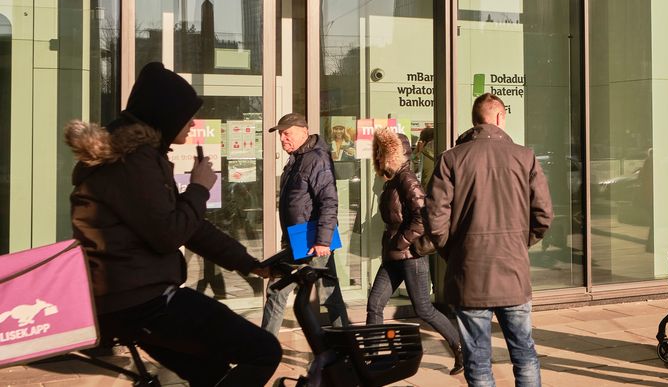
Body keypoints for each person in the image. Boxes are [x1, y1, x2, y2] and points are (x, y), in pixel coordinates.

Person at [66, 61, 282, 386]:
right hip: (143, 301)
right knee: (264, 351)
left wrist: (249, 264)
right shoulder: (132, 163)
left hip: (134, 299)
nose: (193, 123)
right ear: (165, 115)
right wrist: (199, 188)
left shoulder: (142, 159)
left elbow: (189, 226)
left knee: (213, 375)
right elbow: (169, 234)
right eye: (187, 115)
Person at [426, 93, 554, 387]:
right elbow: (544, 214)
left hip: (469, 273)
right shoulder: (525, 157)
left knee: (478, 359)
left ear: (474, 122)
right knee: (524, 354)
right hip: (513, 273)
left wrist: (454, 251)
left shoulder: (451, 159)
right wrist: (519, 244)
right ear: (499, 118)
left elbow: (435, 219)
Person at [365, 126, 464, 375]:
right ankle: (369, 358)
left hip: (410, 256)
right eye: (377, 152)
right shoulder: (392, 181)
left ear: (395, 155)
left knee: (424, 309)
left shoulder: (407, 180)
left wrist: (401, 242)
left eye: (381, 153)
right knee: (375, 303)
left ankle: (461, 348)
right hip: (394, 256)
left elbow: (422, 217)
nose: (377, 158)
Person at [261, 112, 351, 334]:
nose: (282, 138)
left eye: (287, 133)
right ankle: (348, 344)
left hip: (312, 241)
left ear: (303, 131)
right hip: (300, 238)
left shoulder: (316, 159)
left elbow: (329, 201)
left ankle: (264, 345)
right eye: (281, 134)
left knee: (278, 289)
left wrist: (322, 241)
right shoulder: (298, 159)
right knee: (329, 293)